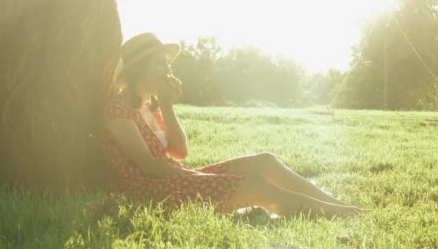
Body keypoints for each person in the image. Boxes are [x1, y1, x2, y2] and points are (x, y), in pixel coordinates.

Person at [102, 33, 365, 218]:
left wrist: (168, 106)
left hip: (174, 177)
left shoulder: (152, 105)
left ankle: (333, 204)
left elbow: (180, 153)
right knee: (255, 184)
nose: (168, 70)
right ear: (139, 69)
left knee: (264, 161)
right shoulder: (118, 109)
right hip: (150, 190)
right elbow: (150, 166)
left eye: (168, 63)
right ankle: (332, 213)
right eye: (161, 63)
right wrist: (202, 178)